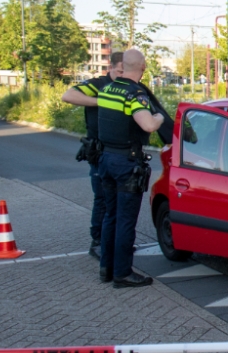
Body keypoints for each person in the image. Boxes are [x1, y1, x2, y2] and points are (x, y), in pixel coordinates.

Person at [96, 49, 164, 288]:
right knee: (126, 220)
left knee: (110, 216)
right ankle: (123, 273)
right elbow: (147, 124)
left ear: (122, 66)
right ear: (143, 67)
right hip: (126, 163)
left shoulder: (107, 90)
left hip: (106, 159)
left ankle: (106, 268)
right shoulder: (134, 94)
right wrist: (159, 119)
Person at [61, 52, 124, 258]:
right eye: (120, 71)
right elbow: (68, 95)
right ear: (111, 67)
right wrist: (100, 101)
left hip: (120, 151)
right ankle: (97, 241)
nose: (123, 75)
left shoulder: (127, 87)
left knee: (118, 199)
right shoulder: (99, 84)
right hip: (99, 150)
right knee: (102, 198)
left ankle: (112, 239)